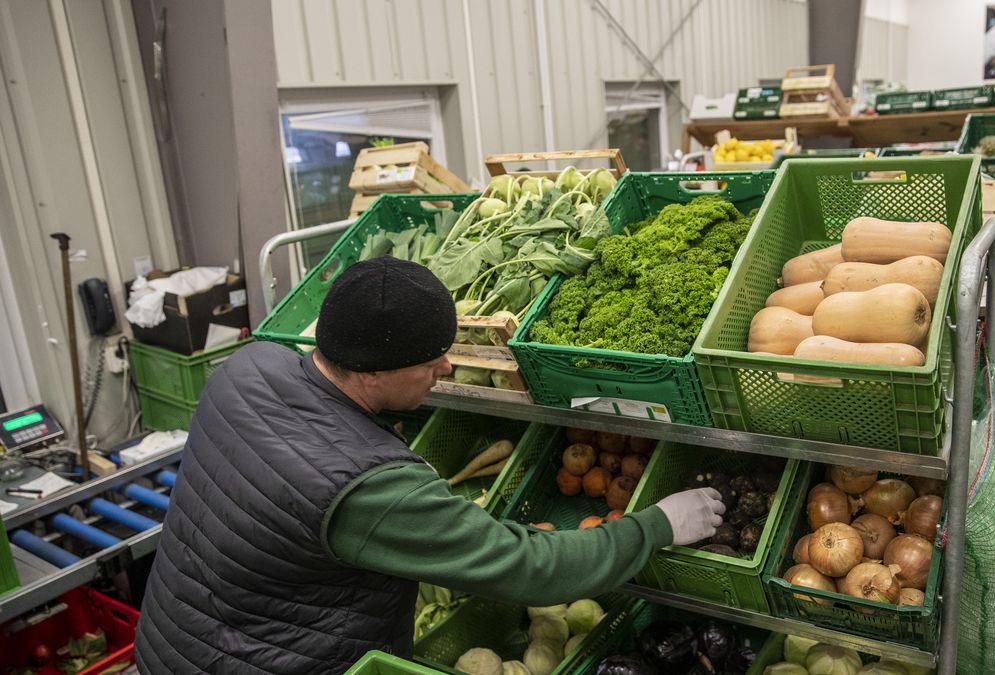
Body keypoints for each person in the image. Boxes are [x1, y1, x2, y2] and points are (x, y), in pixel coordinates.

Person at [133, 258, 726, 674]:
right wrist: (659, 524)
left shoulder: (246, 366)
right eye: (431, 360)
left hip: (172, 643)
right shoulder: (369, 489)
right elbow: (530, 566)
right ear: (370, 373)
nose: (447, 369)